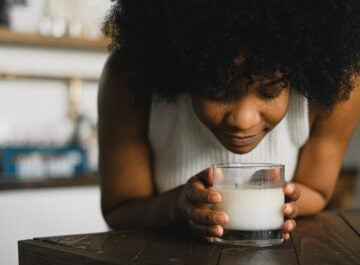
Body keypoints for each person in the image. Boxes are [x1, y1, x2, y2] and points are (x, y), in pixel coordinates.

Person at [98, 0, 360, 242]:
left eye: (269, 90)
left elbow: (317, 190)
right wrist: (178, 205)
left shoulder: (338, 90)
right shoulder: (129, 82)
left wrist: (286, 202)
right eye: (217, 90)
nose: (243, 121)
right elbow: (119, 209)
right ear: (181, 67)